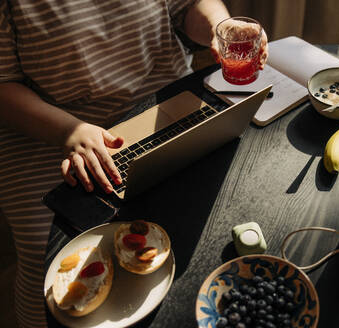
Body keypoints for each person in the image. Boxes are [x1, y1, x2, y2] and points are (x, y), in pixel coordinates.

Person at [0, 1, 267, 327]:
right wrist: (69, 132)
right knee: (50, 258)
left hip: (161, 96)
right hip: (51, 125)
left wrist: (220, 27)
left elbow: (189, 6)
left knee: (209, 199)